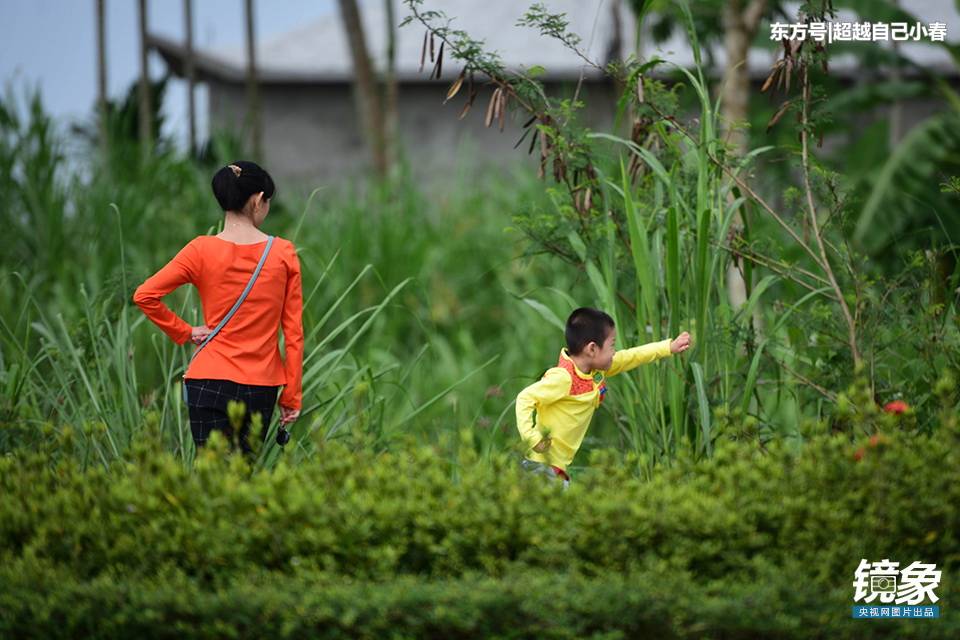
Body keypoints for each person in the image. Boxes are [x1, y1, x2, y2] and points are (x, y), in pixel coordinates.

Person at [133, 161, 304, 456]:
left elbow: (145, 295)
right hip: (258, 387)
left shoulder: (200, 250)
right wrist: (291, 396)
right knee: (241, 478)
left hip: (208, 381)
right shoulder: (283, 253)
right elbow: (293, 334)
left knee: (209, 478)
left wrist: (185, 332)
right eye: (268, 203)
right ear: (257, 200)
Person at [515, 307, 691, 487]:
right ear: (592, 349)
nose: (614, 352)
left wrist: (668, 347)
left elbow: (631, 357)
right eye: (612, 345)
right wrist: (532, 438)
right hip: (541, 466)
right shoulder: (563, 378)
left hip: (555, 468)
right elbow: (524, 398)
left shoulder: (594, 372)